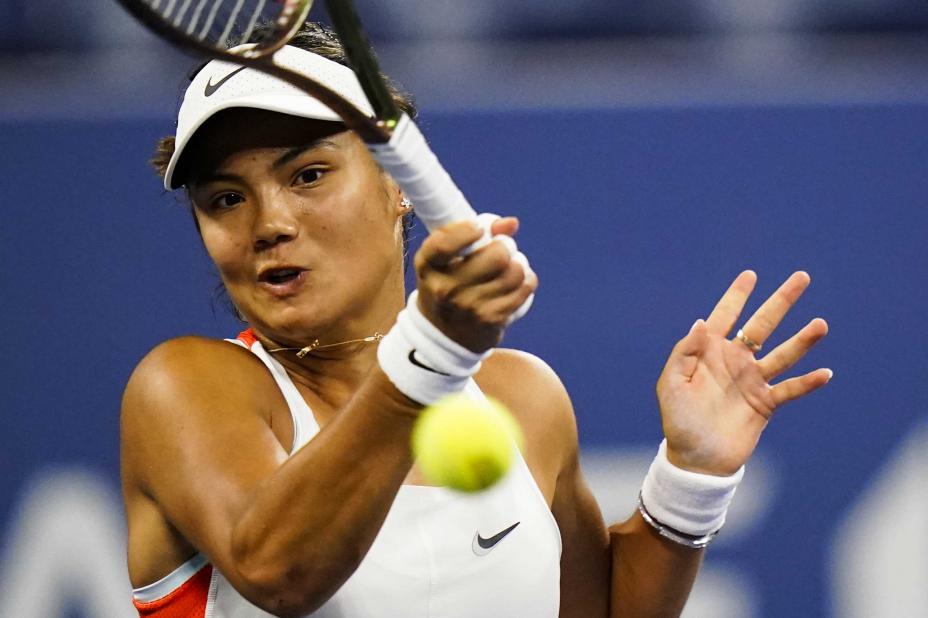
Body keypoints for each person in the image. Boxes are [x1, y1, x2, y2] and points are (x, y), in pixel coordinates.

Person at [122, 23, 831, 618]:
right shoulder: (185, 388)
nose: (269, 223)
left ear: (395, 181)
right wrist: (429, 351)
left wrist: (691, 477)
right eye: (225, 199)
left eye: (307, 174)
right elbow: (279, 572)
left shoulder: (523, 398)